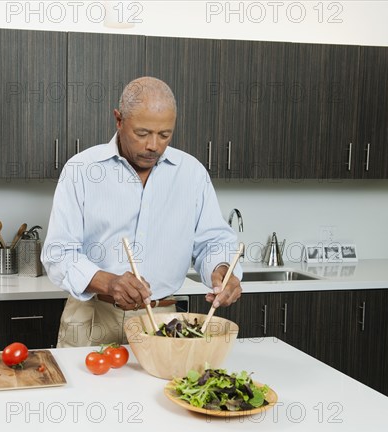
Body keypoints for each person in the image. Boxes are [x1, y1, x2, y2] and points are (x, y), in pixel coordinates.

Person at [41, 76, 243, 348]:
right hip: (92, 317)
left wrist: (221, 269)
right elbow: (58, 253)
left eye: (164, 135)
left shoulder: (192, 173)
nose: (154, 146)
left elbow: (212, 243)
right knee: (88, 391)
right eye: (142, 133)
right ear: (119, 120)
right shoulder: (81, 169)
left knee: (159, 392)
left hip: (162, 320)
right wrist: (108, 283)